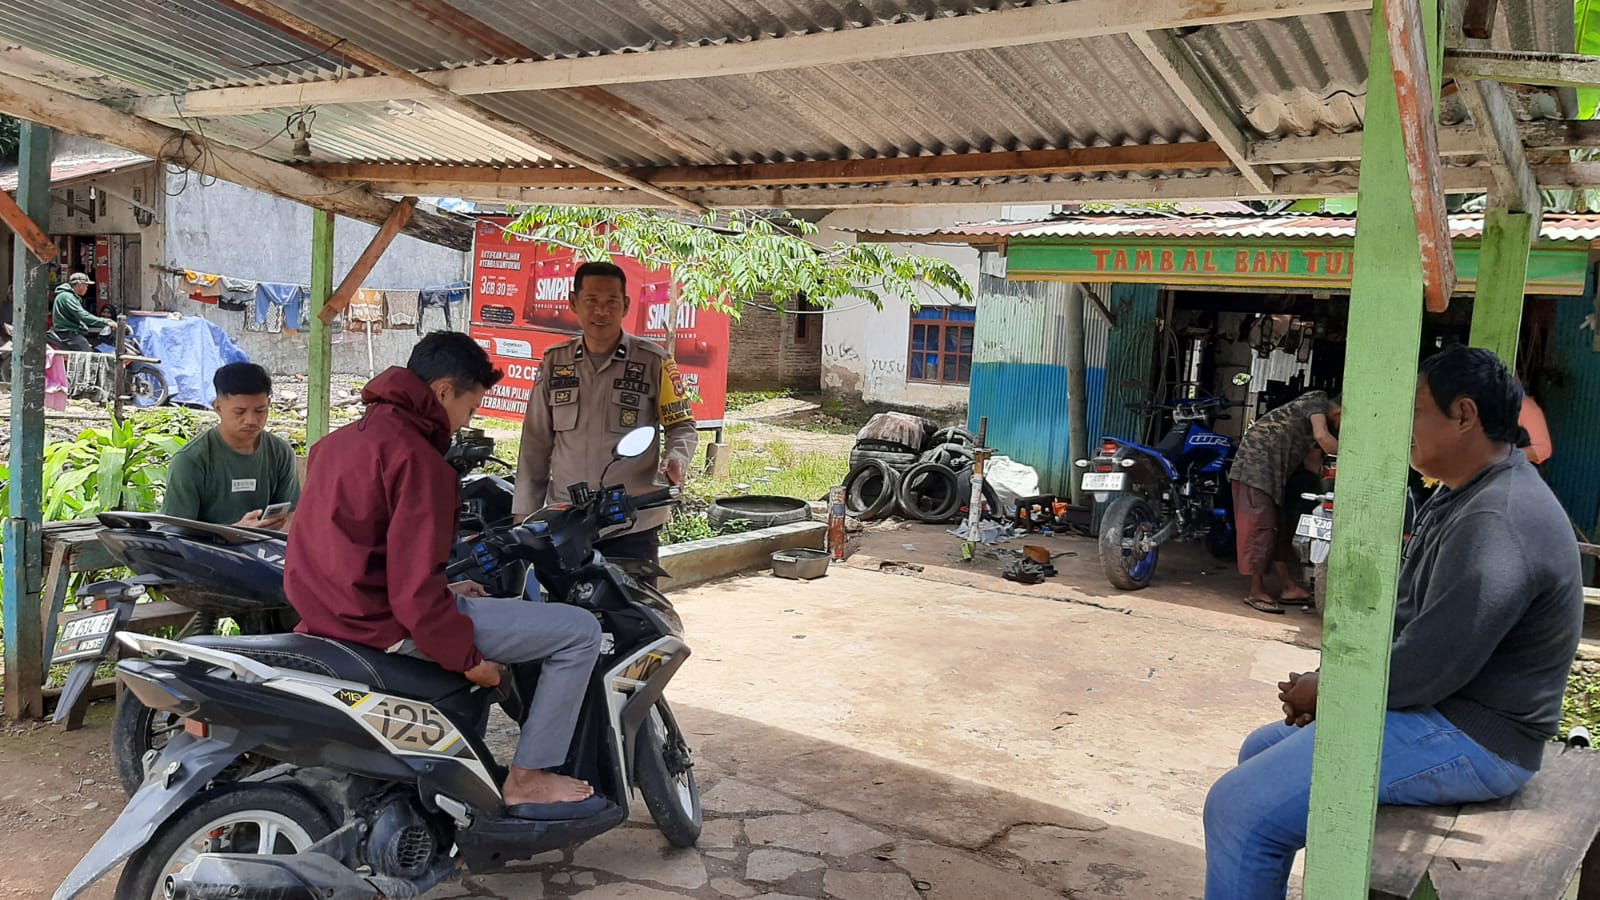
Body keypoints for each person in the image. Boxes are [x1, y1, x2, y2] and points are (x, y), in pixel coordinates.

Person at [1202, 346, 1583, 900]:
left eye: (1417, 411)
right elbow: (1408, 622)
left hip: (1479, 737)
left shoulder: (1497, 518)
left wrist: (1332, 693)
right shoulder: (1467, 494)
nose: (1406, 426)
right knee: (1261, 750)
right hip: (1445, 709)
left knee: (1237, 809)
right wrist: (1328, 685)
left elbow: (1428, 666)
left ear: (1464, 415)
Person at [285, 333, 605, 815]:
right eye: (470, 408)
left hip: (329, 617)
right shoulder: (417, 460)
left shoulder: (334, 445)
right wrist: (467, 658)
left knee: (476, 605)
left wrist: (448, 588)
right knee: (579, 632)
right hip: (384, 624)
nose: (466, 422)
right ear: (442, 391)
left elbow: (355, 554)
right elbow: (415, 598)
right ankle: (528, 778)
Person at [513, 261, 698, 568]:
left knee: (634, 599)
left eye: (611, 302)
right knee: (566, 600)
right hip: (568, 521)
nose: (601, 311)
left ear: (625, 305)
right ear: (574, 303)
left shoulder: (654, 362)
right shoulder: (555, 363)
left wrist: (677, 456)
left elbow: (682, 425)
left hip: (632, 523)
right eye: (592, 301)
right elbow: (535, 444)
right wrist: (524, 516)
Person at [1228, 390, 1341, 614]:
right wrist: (1354, 457)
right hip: (1255, 467)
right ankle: (1255, 591)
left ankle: (1289, 587)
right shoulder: (1317, 400)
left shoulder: (1312, 425)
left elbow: (1312, 464)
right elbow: (1322, 436)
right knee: (1260, 529)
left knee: (1277, 529)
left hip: (1274, 474)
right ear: (1340, 412)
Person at [162, 362, 300, 530]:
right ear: (218, 407)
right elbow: (174, 532)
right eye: (239, 412)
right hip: (203, 547)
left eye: (260, 410)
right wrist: (233, 533)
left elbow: (290, 514)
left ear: (269, 404)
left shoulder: (280, 452)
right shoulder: (190, 460)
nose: (251, 420)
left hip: (265, 544)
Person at [50, 273, 112, 351]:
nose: (87, 288)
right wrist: (105, 321)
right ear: (80, 285)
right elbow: (83, 315)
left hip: (72, 333)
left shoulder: (69, 296)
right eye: (86, 286)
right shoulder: (67, 297)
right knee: (89, 355)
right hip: (68, 334)